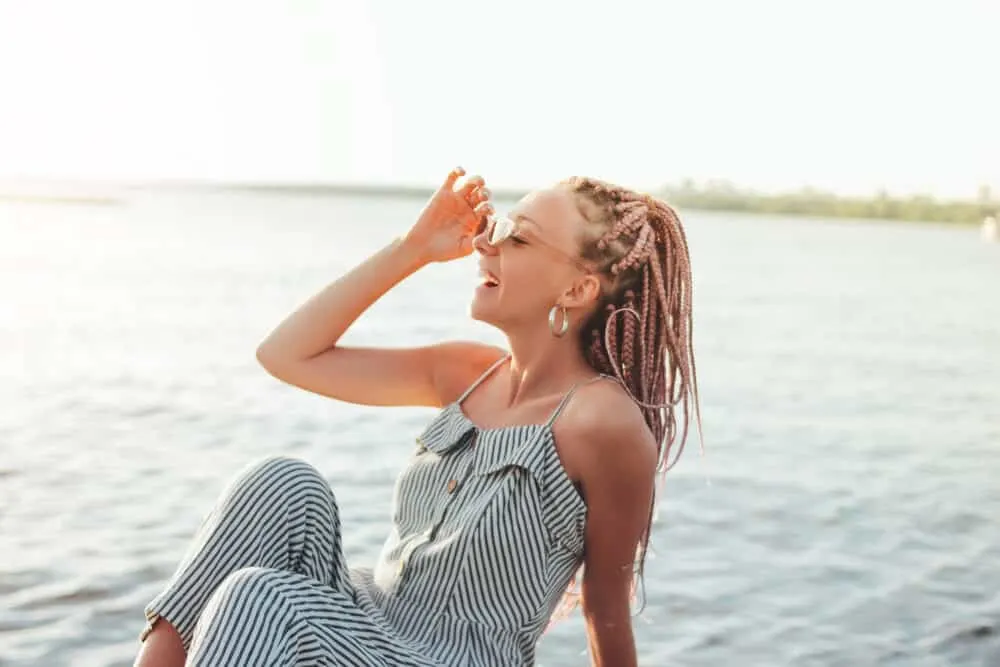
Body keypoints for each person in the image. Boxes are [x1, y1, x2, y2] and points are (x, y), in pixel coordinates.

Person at [133, 168, 702, 667]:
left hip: (446, 658)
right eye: (496, 225)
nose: (486, 244)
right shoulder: (465, 374)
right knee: (279, 486)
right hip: (366, 621)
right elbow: (285, 356)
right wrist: (414, 247)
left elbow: (605, 609)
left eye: (516, 237)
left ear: (578, 288)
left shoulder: (602, 421)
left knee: (260, 597)